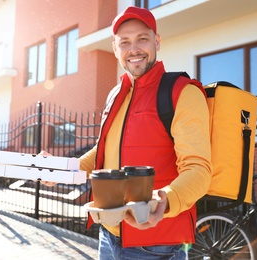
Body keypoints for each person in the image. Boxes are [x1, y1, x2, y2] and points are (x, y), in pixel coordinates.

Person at [44, 6, 212, 259]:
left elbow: (199, 169)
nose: (133, 49)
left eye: (142, 39)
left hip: (157, 243)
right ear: (115, 49)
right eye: (125, 42)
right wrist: (66, 168)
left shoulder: (182, 92)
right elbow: (103, 151)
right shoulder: (116, 95)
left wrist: (165, 200)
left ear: (157, 42)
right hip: (109, 234)